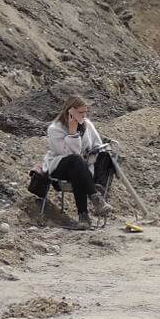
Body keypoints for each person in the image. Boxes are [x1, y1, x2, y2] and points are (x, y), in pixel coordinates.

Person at [39, 96, 116, 229]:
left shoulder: (87, 125)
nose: (84, 115)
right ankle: (95, 198)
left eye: (85, 112)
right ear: (70, 112)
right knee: (76, 160)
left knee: (106, 155)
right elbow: (68, 154)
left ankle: (85, 215)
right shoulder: (54, 129)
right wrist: (73, 132)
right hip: (61, 166)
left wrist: (92, 153)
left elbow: (97, 144)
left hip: (82, 168)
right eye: (80, 112)